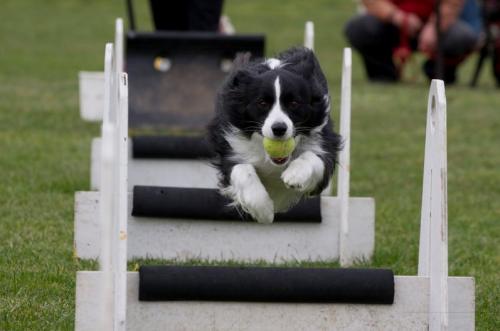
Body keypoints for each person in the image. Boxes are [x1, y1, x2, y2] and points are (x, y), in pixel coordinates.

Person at [345, 0, 482, 83]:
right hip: (392, 24)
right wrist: (396, 17)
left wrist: (434, 26)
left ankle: (439, 73)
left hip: (433, 24)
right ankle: (383, 74)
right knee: (360, 28)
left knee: (462, 37)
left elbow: (451, 3)